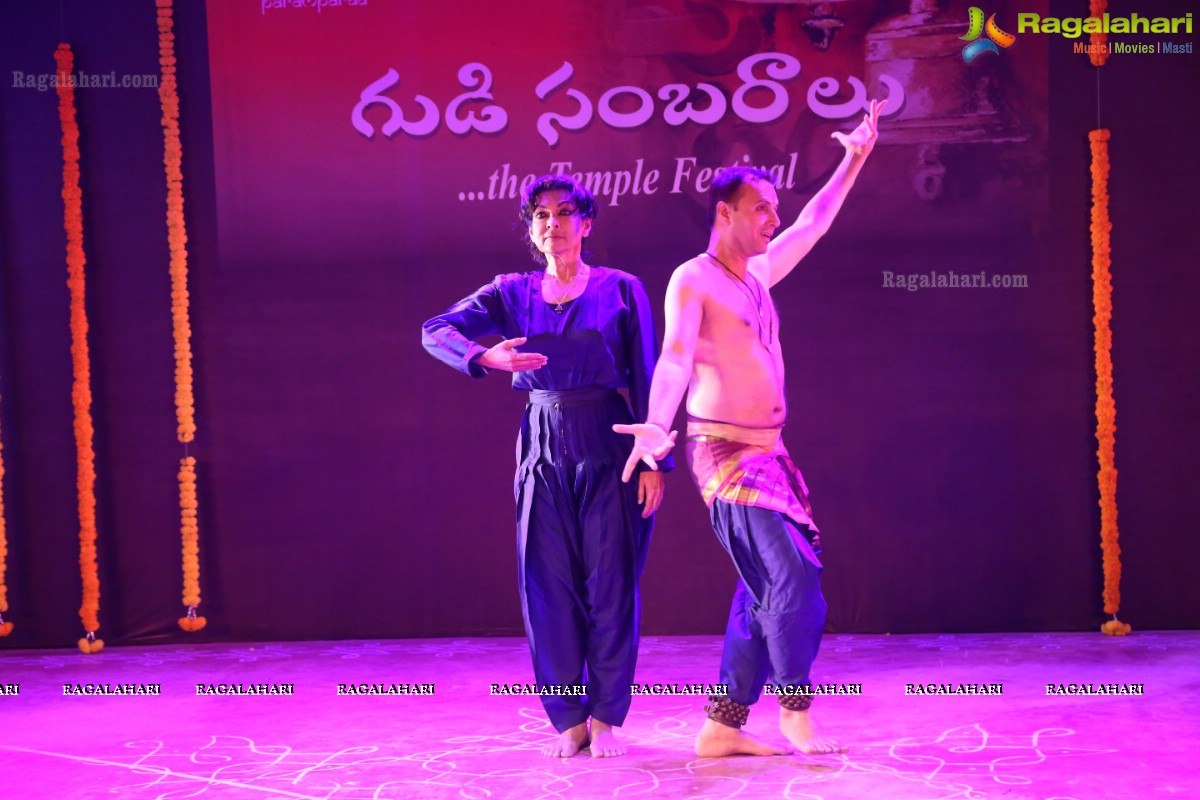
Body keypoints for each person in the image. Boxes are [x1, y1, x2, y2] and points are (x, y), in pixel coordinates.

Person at [615, 100, 884, 757]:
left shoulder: (759, 273)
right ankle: (795, 705)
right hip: (725, 454)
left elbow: (815, 224)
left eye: (773, 206)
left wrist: (854, 158)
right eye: (760, 207)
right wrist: (655, 428)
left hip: (773, 453)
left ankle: (723, 725)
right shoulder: (694, 279)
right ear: (725, 213)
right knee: (794, 574)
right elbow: (676, 356)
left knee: (762, 585)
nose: (773, 217)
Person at [422, 175, 670, 758]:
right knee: (547, 584)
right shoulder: (511, 291)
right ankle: (567, 715)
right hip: (540, 442)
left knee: (610, 582)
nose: (552, 224)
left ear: (587, 223)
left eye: (563, 213)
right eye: (540, 215)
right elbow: (435, 330)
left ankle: (607, 714)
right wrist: (483, 355)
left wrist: (657, 457)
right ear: (531, 230)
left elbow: (651, 377)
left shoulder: (622, 289)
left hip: (610, 439)